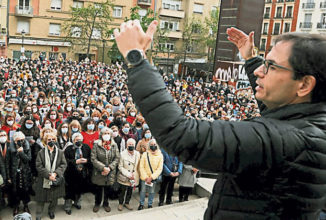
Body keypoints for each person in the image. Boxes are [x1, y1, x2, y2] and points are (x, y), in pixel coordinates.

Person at [115, 20, 326, 219]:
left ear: (304, 85)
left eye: (271, 65)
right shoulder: (308, 122)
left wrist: (136, 59)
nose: (261, 71)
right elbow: (281, 110)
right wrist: (251, 60)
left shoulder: (286, 140)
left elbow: (182, 135)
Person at [33, 132, 67, 220]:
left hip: (56, 178)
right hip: (44, 179)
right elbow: (38, 166)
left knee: (54, 198)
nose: (51, 141)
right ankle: (39, 214)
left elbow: (63, 164)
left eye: (53, 139)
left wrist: (55, 173)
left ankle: (51, 211)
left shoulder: (60, 152)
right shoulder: (41, 152)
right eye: (49, 140)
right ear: (45, 141)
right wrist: (48, 175)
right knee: (41, 198)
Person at [91, 127, 120, 213]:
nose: (106, 135)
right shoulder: (96, 144)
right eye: (105, 133)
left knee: (108, 188)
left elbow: (117, 158)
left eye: (108, 134)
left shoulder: (114, 145)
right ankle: (97, 203)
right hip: (99, 171)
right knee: (98, 189)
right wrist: (103, 168)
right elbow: (93, 159)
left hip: (110, 172)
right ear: (101, 135)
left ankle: (106, 203)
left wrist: (109, 168)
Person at [63, 132, 92, 215]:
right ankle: (67, 206)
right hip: (71, 173)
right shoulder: (68, 148)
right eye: (76, 140)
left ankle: (77, 202)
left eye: (80, 140)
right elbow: (65, 160)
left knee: (80, 189)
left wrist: (86, 160)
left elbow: (91, 158)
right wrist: (75, 161)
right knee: (69, 191)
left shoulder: (86, 147)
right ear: (73, 140)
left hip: (82, 173)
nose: (78, 141)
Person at [9, 132, 32, 216]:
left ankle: (26, 205)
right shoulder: (10, 149)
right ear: (14, 141)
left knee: (25, 190)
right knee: (15, 190)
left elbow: (28, 159)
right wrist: (8, 176)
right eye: (18, 140)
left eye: (22, 140)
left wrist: (21, 152)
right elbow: (8, 163)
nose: (20, 142)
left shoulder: (27, 147)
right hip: (15, 173)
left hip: (25, 172)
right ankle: (16, 206)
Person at [137, 139, 163, 210]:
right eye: (151, 145)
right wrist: (146, 177)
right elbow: (141, 166)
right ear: (149, 146)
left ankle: (150, 204)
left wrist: (151, 177)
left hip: (153, 178)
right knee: (143, 191)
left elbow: (159, 168)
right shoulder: (145, 154)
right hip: (144, 178)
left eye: (154, 145)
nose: (153, 146)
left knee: (152, 192)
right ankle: (141, 204)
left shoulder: (160, 155)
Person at [117, 138, 140, 211]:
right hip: (125, 176)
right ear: (127, 145)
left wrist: (134, 174)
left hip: (134, 177)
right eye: (129, 144)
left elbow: (139, 165)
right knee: (122, 191)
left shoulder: (137, 154)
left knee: (130, 191)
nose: (131, 146)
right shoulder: (122, 154)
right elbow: (120, 166)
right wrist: (128, 174)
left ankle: (127, 202)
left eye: (132, 144)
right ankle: (120, 203)